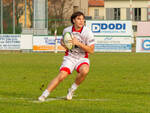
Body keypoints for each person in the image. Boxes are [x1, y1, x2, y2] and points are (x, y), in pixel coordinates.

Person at [38, 11, 95, 101]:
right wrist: (64, 44)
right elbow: (62, 41)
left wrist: (78, 43)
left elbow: (91, 50)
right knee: (62, 76)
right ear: (73, 20)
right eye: (78, 19)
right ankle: (44, 95)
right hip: (70, 57)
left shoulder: (87, 32)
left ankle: (72, 89)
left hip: (82, 58)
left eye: (83, 19)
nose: (81, 21)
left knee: (85, 71)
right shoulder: (67, 30)